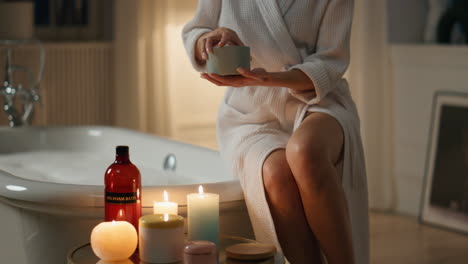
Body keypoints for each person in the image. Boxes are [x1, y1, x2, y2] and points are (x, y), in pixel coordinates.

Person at [182, 1, 369, 263]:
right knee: (276, 173)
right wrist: (208, 41)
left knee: (305, 152)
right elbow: (195, 29)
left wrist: (270, 78)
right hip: (252, 113)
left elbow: (331, 61)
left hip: (317, 101)